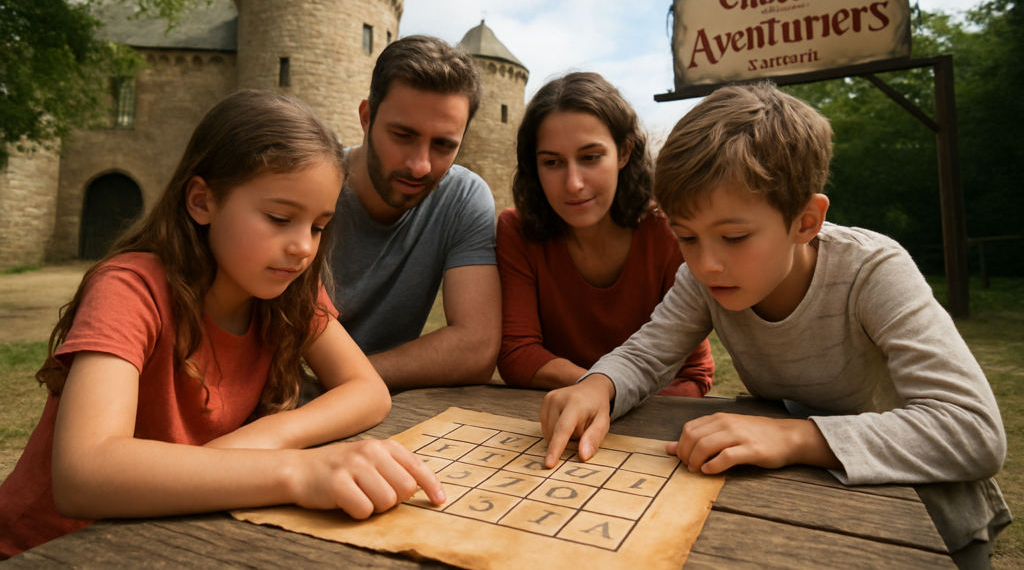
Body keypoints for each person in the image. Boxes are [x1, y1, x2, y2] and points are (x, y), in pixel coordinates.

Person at [539, 83, 1010, 569]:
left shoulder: (875, 271)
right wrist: (598, 385)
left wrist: (794, 437)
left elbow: (973, 431)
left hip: (932, 524)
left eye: (735, 236)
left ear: (806, 221)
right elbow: (646, 355)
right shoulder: (702, 277)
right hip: (822, 510)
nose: (707, 264)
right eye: (686, 237)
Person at [0, 91, 444, 559]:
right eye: (279, 218)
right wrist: (298, 471)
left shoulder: (287, 291)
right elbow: (83, 474)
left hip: (168, 541)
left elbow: (367, 390)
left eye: (318, 225)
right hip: (49, 550)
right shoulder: (130, 289)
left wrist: (265, 438)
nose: (303, 247)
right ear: (202, 201)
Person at [496, 72, 714, 396]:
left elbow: (694, 373)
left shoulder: (669, 230)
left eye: (590, 158)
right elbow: (517, 354)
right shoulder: (517, 231)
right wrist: (602, 391)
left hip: (647, 419)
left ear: (624, 152)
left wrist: (608, 395)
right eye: (553, 162)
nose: (573, 184)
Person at [330, 35, 501, 391]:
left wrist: (343, 383)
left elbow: (477, 348)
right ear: (366, 118)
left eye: (443, 145)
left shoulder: (463, 197)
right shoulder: (313, 188)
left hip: (364, 402)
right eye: (403, 135)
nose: (420, 166)